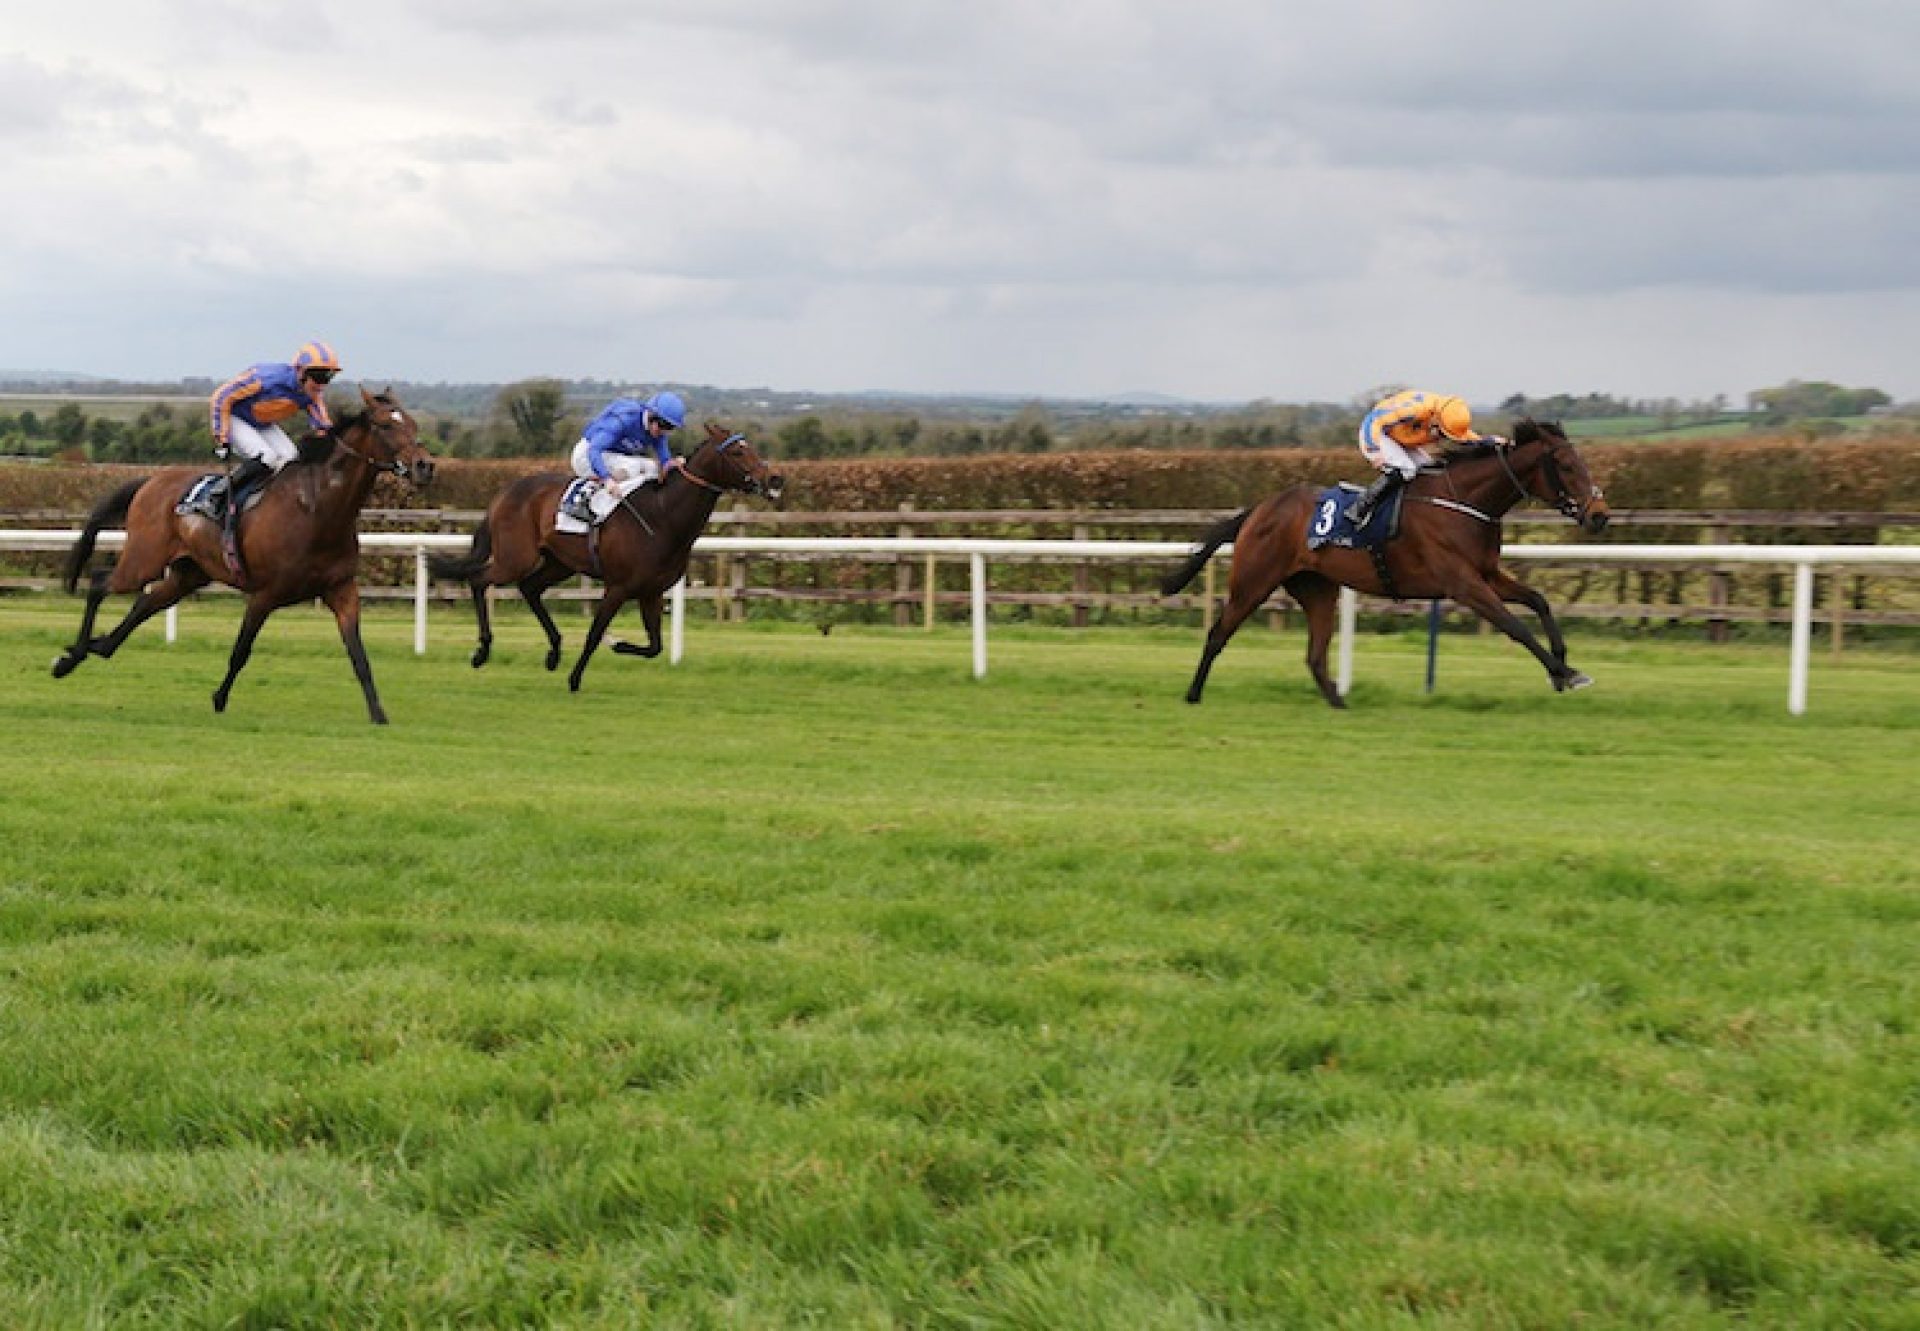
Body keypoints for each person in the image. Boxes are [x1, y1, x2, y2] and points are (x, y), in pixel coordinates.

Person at [1348, 389, 1500, 528]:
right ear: (1436, 417)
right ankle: (1361, 506)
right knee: (1406, 469)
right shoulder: (1413, 410)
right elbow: (1374, 421)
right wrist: (1375, 449)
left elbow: (1467, 439)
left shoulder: (1446, 417)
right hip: (1379, 435)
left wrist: (1493, 441)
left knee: (1429, 470)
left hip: (1402, 439)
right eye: (1441, 432)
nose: (1440, 437)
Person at [208, 341, 341, 500]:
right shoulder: (266, 379)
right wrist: (222, 437)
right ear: (300, 371)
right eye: (318, 376)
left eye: (328, 377)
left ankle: (268, 500)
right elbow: (221, 396)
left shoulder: (310, 394)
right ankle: (220, 492)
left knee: (290, 458)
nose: (321, 385)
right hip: (234, 418)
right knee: (267, 457)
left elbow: (323, 426)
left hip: (262, 423)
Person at [569, 390, 686, 522]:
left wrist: (675, 464)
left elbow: (664, 463)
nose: (664, 431)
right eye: (664, 425)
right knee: (633, 466)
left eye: (670, 428)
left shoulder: (658, 432)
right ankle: (584, 496)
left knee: (652, 468)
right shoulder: (624, 420)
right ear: (652, 416)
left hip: (613, 456)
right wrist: (607, 479)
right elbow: (594, 450)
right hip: (586, 456)